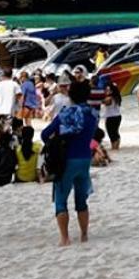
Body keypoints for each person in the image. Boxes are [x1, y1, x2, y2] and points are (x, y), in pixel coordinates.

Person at [41, 80, 98, 246]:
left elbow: (45, 134)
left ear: (70, 95)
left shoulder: (66, 114)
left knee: (61, 199)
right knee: (81, 200)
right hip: (85, 158)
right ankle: (84, 235)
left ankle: (65, 238)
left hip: (66, 160)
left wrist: (59, 136)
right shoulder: (92, 114)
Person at [0, 69, 21, 134]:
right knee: (8, 130)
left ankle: (3, 142)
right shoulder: (15, 84)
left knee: (1, 129)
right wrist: (17, 106)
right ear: (11, 75)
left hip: (0, 110)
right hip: (10, 110)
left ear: (3, 74)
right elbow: (19, 96)